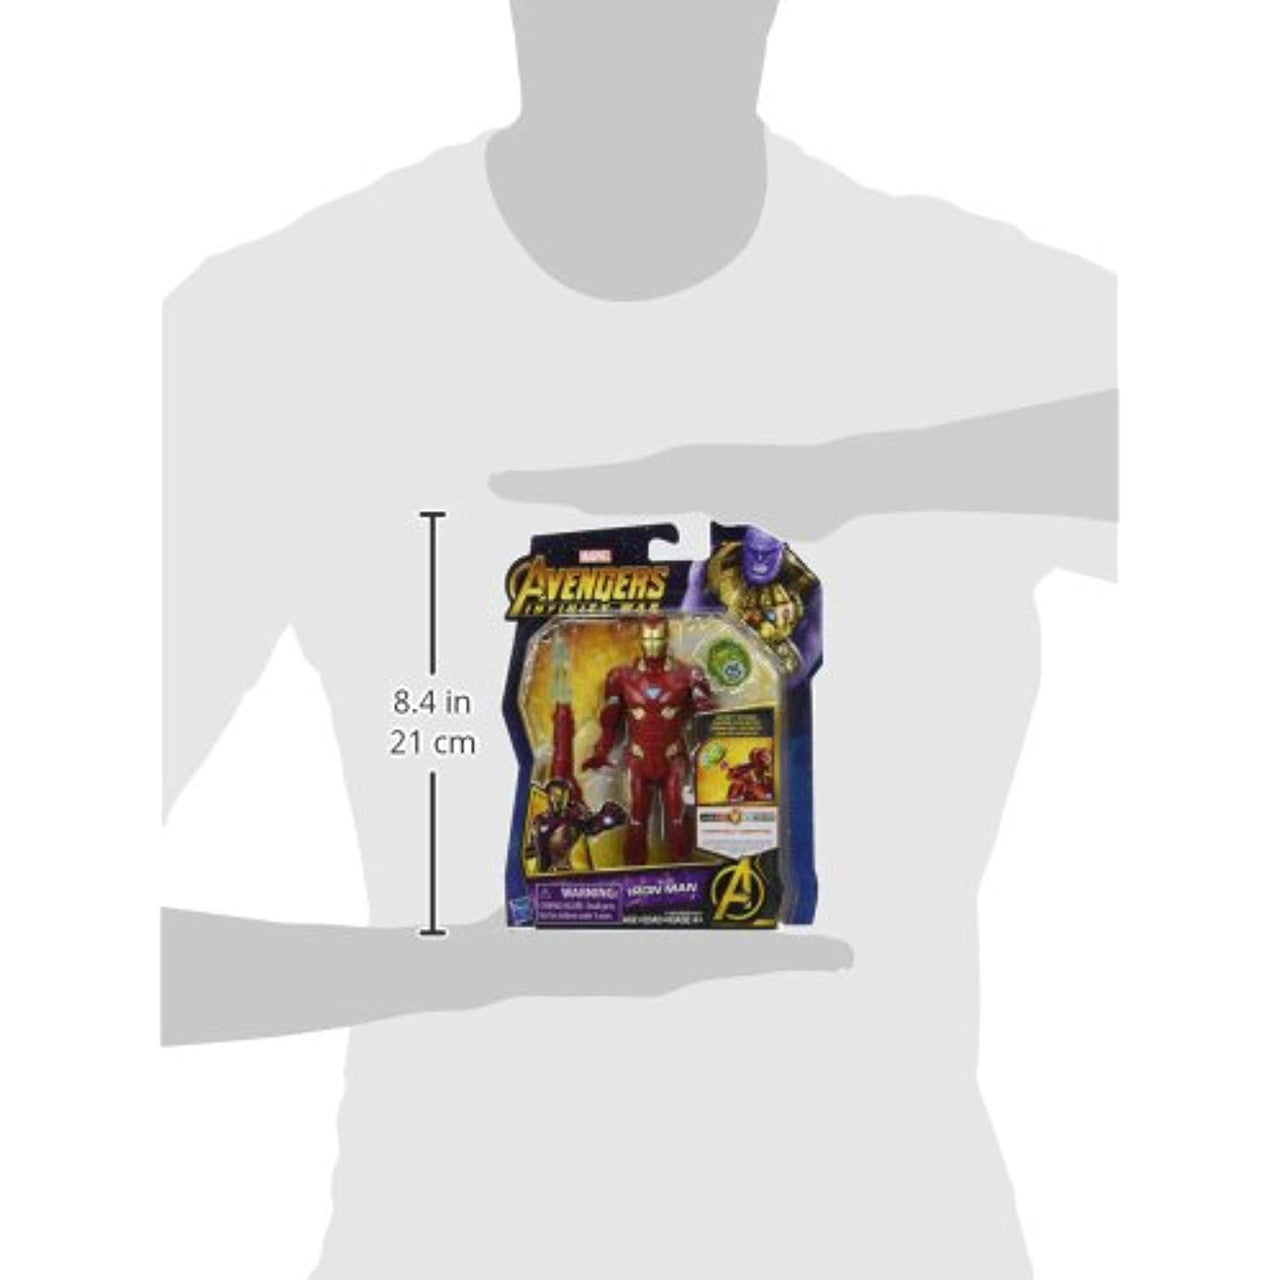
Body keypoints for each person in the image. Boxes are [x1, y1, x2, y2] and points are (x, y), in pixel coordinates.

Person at [163, 2, 1116, 1275]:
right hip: (460, 1232)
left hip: (881, 1229)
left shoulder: (992, 329)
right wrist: (441, 976)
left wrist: (879, 469)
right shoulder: (277, 339)